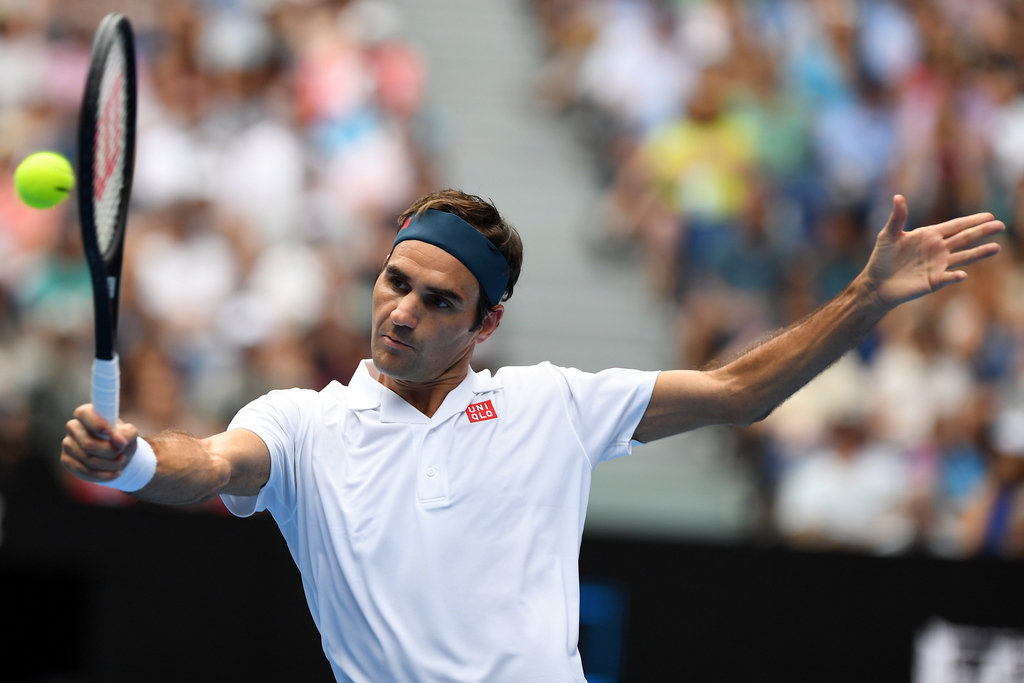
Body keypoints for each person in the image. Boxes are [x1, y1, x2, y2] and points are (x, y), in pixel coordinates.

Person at [61, 188, 1003, 682]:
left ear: (485, 325)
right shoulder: (301, 424)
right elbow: (211, 464)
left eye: (439, 300)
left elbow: (737, 389)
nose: (401, 312)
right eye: (395, 281)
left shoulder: (552, 402)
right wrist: (137, 458)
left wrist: (865, 297)